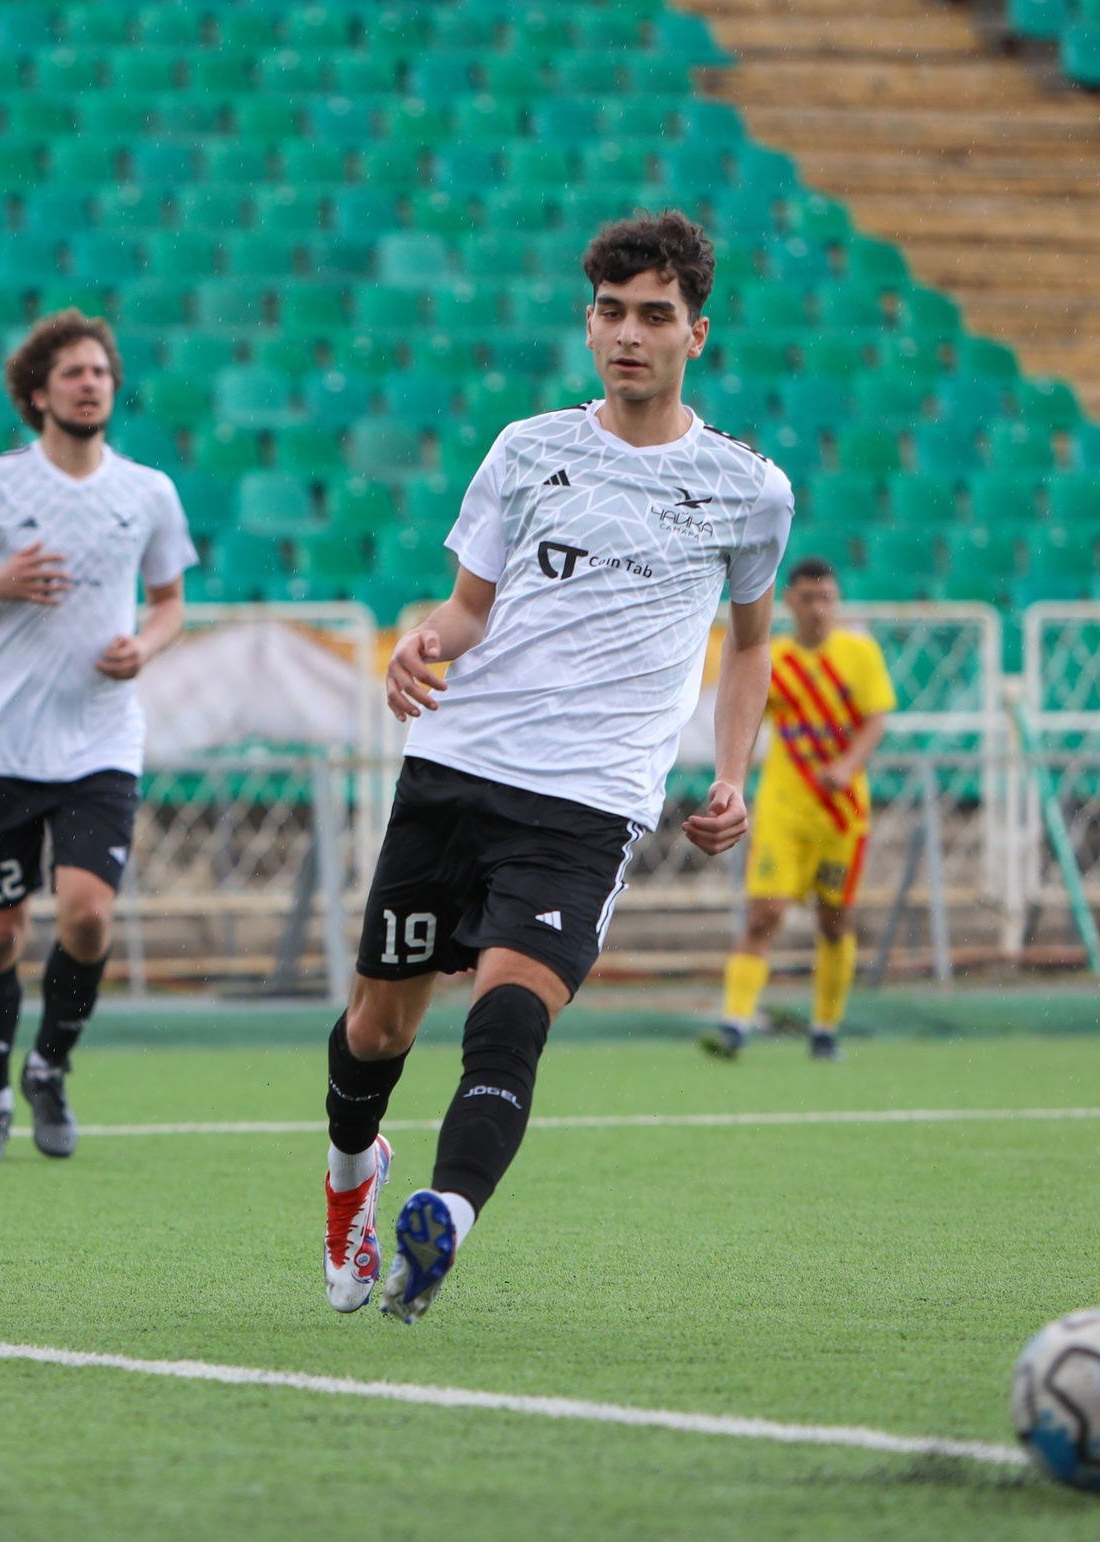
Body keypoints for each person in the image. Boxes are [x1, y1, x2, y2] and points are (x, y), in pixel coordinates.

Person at [319, 212, 788, 1322]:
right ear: (590, 324)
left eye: (654, 316)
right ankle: (352, 1180)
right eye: (612, 313)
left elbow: (754, 643)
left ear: (696, 334)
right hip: (455, 766)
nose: (630, 335)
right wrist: (417, 643)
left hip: (587, 803)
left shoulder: (747, 487)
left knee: (509, 1017)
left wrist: (731, 773)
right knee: (379, 1027)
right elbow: (468, 609)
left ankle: (446, 1217)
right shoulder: (525, 449)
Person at [0, 309, 196, 1163]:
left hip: (100, 743)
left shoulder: (147, 492)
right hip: (0, 745)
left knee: (87, 915)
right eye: (72, 372)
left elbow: (172, 603)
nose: (89, 383)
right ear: (38, 393)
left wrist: (143, 646)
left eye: (100, 371)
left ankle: (50, 1066)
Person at [702, 557, 896, 1062]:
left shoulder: (859, 654)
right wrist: (733, 779)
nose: (818, 609)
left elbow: (876, 720)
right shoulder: (774, 658)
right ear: (789, 602)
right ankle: (735, 1023)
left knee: (834, 921)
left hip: (842, 817)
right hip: (785, 812)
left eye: (826, 598)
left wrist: (848, 766)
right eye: (808, 599)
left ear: (837, 603)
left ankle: (825, 1029)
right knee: (764, 914)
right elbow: (744, 718)